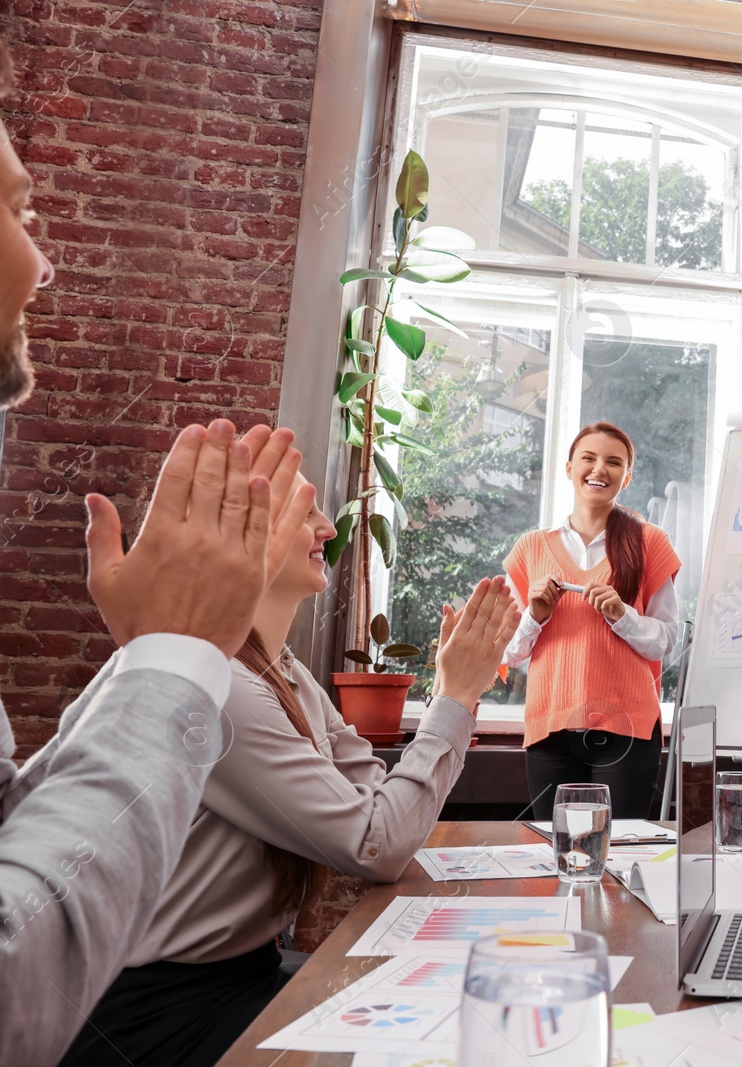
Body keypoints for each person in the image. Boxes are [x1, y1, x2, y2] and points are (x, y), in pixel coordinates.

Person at [0, 42, 316, 1067]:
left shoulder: (281, 672)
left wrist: (152, 660)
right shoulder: (236, 684)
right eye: (18, 214)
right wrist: (176, 658)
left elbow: (21, 844)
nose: (42, 264)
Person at [55, 478, 519, 1067]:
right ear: (239, 536)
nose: (329, 529)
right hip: (153, 1012)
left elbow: (372, 798)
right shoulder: (222, 687)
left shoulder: (286, 672)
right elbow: (376, 841)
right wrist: (452, 697)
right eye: (307, 513)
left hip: (244, 973)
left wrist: (452, 702)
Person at [503, 421, 682, 819]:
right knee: (558, 851)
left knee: (619, 850)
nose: (599, 469)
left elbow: (668, 639)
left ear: (627, 477)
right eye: (589, 458)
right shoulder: (531, 547)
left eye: (613, 462)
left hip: (628, 728)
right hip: (551, 724)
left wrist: (622, 615)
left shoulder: (649, 542)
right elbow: (510, 650)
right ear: (569, 468)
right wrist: (536, 615)